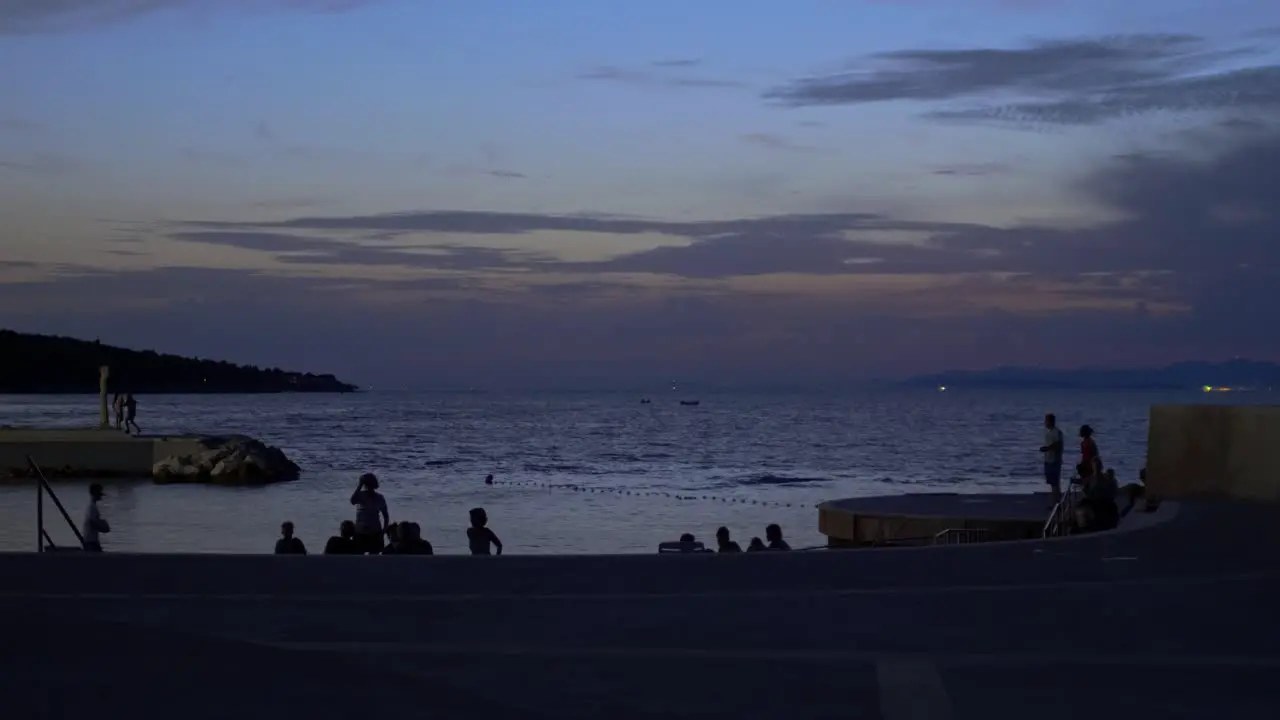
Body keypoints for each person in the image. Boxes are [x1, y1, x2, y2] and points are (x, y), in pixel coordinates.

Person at [350, 472, 389, 554]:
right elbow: (352, 501)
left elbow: (386, 516)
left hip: (373, 531)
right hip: (362, 531)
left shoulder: (379, 497)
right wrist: (359, 485)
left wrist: (383, 531)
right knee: (361, 556)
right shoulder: (361, 495)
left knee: (371, 556)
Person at [1039, 413, 1065, 504]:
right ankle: (1056, 499)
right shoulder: (1049, 432)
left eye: (1046, 421)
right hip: (1048, 459)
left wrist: (1048, 448)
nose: (1045, 423)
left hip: (1054, 460)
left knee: (1055, 481)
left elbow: (1058, 444)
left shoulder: (1057, 432)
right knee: (1051, 481)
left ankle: (1057, 501)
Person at [82, 483, 110, 552]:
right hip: (91, 542)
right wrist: (104, 527)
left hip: (91, 541)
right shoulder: (92, 508)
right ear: (95, 493)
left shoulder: (92, 507)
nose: (101, 495)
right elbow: (92, 522)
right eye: (99, 492)